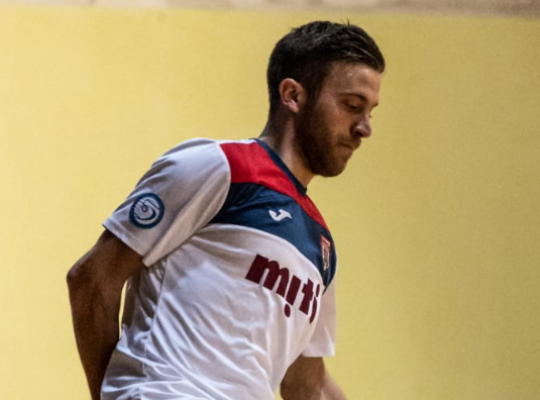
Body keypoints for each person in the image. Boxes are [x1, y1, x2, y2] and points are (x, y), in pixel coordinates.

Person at [67, 20, 385, 400]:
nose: (364, 128)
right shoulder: (220, 167)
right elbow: (92, 280)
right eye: (352, 106)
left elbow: (307, 383)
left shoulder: (321, 245)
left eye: (371, 112)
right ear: (293, 95)